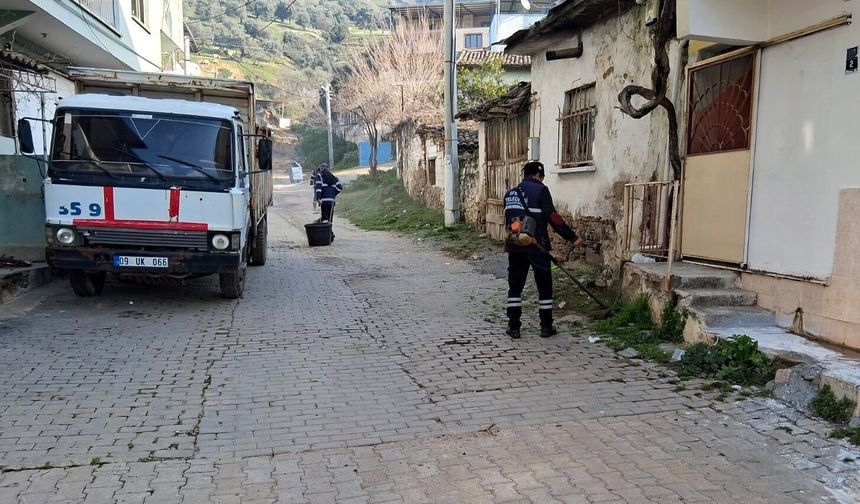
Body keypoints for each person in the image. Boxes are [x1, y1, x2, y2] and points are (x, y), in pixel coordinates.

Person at [504, 161, 584, 339]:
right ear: (539, 175)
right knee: (544, 287)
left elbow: (511, 223)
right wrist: (572, 237)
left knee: (515, 288)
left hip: (515, 246)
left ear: (524, 174)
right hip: (537, 247)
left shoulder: (510, 194)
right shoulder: (541, 190)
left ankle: (514, 327)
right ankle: (546, 327)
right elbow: (554, 218)